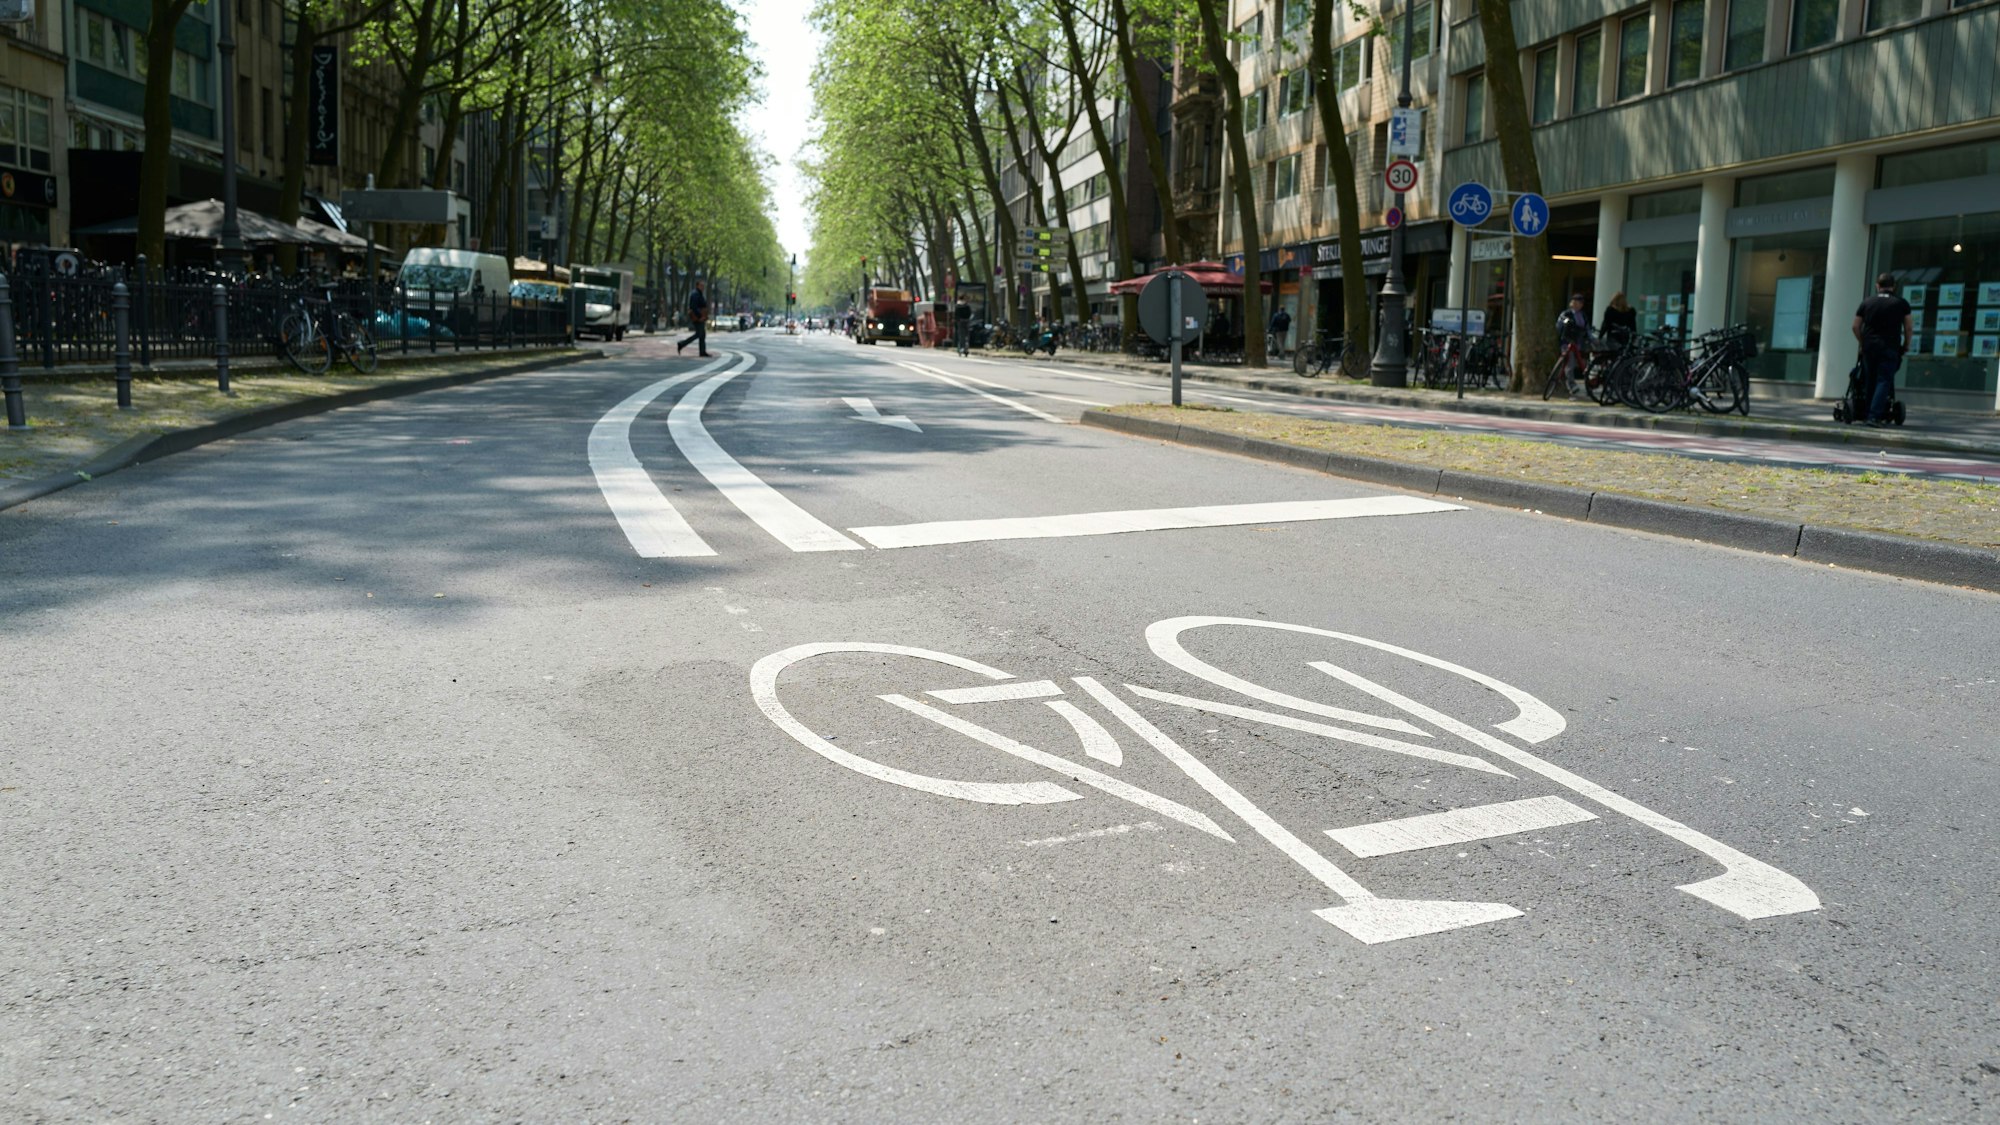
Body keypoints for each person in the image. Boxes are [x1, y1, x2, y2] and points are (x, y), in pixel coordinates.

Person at [1852, 273, 1913, 425]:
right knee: (1884, 380)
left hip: (1870, 348)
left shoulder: (1867, 302)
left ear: (1877, 286)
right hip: (1889, 347)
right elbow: (1909, 327)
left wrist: (1863, 342)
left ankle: (1867, 414)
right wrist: (1906, 345)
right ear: (1894, 286)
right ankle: (1874, 416)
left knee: (1870, 380)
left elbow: (1855, 326)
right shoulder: (1901, 303)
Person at [678, 280, 710, 357]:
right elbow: (694, 307)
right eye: (701, 285)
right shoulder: (695, 294)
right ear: (697, 286)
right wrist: (700, 316)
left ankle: (702, 352)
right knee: (699, 334)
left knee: (702, 334)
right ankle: (682, 344)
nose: (703, 287)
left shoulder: (699, 293)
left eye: (703, 286)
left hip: (700, 316)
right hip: (697, 317)